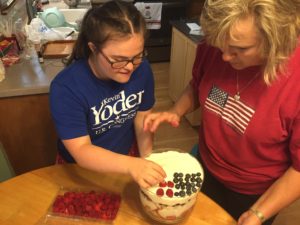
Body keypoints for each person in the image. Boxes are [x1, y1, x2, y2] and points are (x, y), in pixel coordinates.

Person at [143, 0, 300, 224]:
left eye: (240, 50)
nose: (225, 57)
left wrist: (258, 213)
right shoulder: (216, 46)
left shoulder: (295, 82)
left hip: (255, 193)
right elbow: (200, 86)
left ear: (274, 40)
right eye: (220, 46)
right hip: (205, 166)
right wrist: (177, 111)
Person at [49, 0, 166, 189]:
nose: (130, 67)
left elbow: (142, 117)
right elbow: (81, 149)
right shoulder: (66, 88)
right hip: (80, 169)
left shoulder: (142, 69)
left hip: (126, 158)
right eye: (118, 60)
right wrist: (132, 165)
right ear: (93, 48)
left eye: (137, 56)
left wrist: (146, 159)